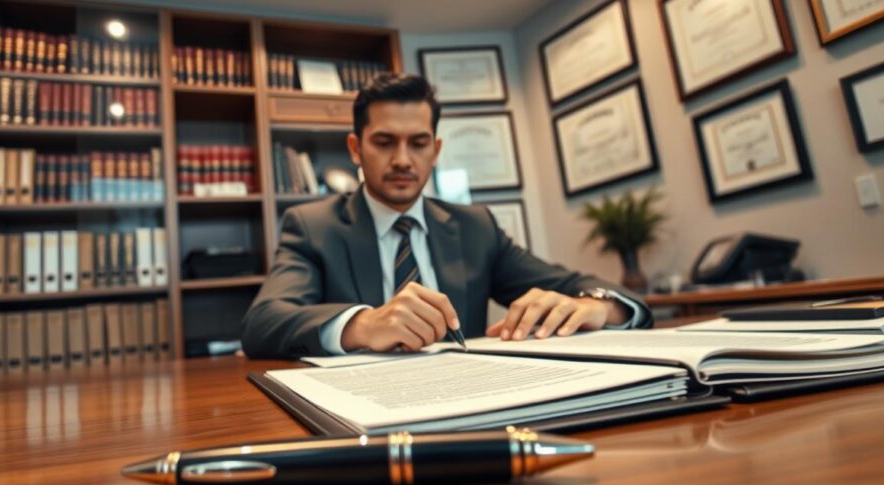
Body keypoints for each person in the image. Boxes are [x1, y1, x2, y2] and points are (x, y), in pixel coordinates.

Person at [241, 74, 651, 359]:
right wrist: (364, 325)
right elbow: (263, 323)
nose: (402, 159)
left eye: (417, 143)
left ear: (435, 151)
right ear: (355, 148)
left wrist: (600, 308)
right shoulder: (314, 226)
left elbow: (583, 287)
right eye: (384, 142)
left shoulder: (476, 227)